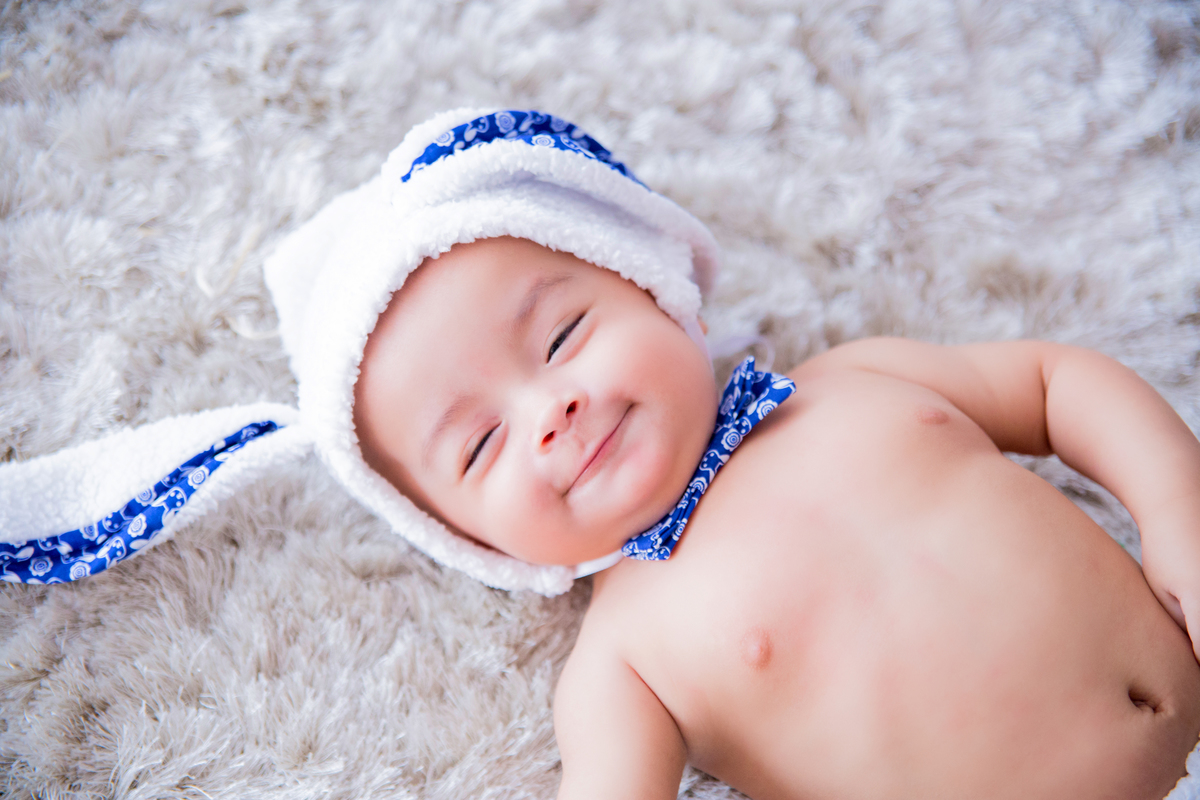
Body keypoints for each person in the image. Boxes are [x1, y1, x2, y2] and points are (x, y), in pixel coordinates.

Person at [4, 108, 1198, 799]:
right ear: (476, 542)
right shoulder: (624, 657)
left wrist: (1179, 518)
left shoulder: (853, 382)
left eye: (565, 332)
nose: (553, 410)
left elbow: (1061, 381)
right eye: (478, 445)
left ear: (660, 291)